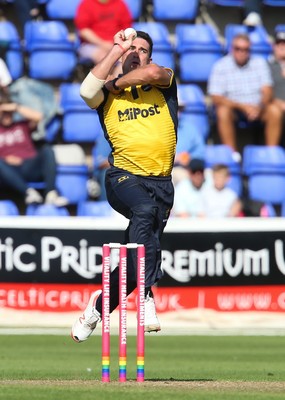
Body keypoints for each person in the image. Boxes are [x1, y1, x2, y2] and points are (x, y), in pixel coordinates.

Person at [71, 29, 178, 342]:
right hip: (123, 178)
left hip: (162, 183)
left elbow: (156, 72)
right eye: (131, 49)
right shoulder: (104, 95)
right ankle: (146, 296)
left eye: (142, 49)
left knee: (133, 264)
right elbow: (87, 90)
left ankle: (96, 310)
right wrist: (116, 49)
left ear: (149, 55)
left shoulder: (163, 82)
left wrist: (116, 82)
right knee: (143, 210)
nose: (136, 52)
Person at [208, 33, 283, 153]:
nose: (242, 52)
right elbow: (216, 97)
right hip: (234, 109)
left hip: (258, 107)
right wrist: (243, 107)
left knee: (274, 111)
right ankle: (232, 155)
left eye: (245, 49)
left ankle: (271, 153)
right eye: (238, 49)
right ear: (232, 49)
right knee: (222, 111)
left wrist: (259, 107)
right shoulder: (220, 66)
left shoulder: (259, 63)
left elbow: (268, 90)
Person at [0, 93, 68, 207]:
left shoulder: (22, 125)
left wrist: (14, 107)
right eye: (3, 113)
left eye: (8, 113)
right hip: (7, 170)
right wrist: (5, 158)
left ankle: (51, 194)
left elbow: (38, 117)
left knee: (47, 149)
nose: (6, 115)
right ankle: (28, 192)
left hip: (28, 166)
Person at [74, 0, 133, 66]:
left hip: (117, 45)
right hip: (92, 45)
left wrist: (117, 45)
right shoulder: (86, 3)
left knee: (127, 58)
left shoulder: (120, 4)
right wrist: (103, 44)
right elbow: (83, 30)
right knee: (104, 57)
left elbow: (127, 29)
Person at [269, 30, 285, 138]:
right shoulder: (265, 65)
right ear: (273, 46)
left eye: (284, 43)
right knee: (274, 112)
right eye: (279, 43)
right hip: (275, 106)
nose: (282, 46)